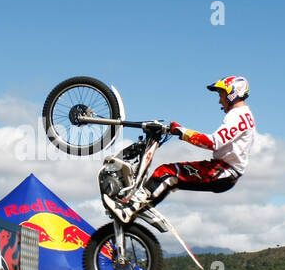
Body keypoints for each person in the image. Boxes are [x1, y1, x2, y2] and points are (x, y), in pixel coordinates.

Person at [106, 76, 256, 222]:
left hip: (221, 171)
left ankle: (129, 208)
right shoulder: (245, 115)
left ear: (232, 93)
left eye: (221, 94)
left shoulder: (238, 116)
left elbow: (213, 142)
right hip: (225, 172)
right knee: (172, 181)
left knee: (166, 172)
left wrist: (182, 131)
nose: (219, 100)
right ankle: (140, 212)